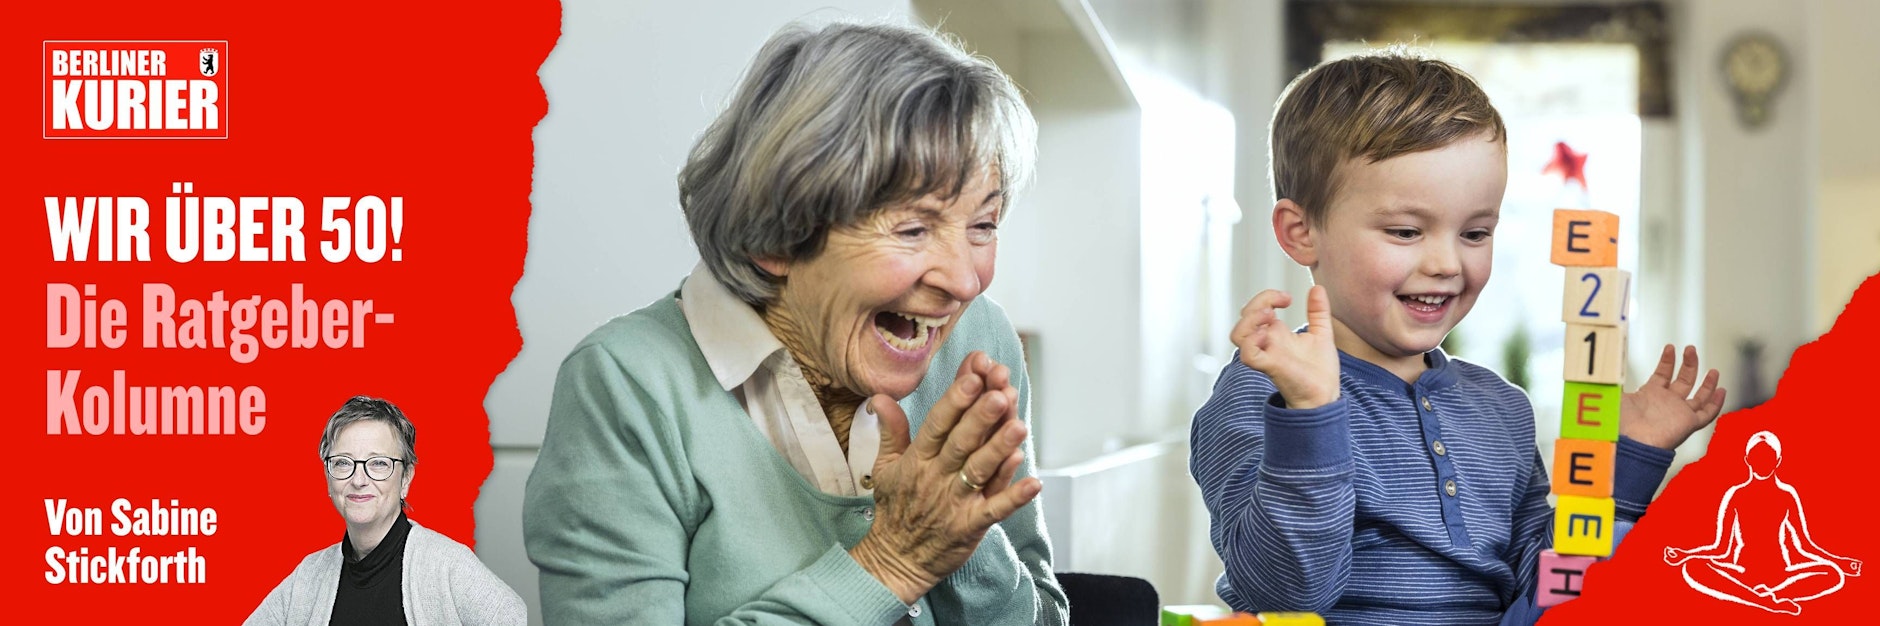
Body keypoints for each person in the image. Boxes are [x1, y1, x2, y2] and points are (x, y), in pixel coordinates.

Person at [522, 19, 1067, 625]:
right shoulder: (627, 385)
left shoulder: (975, 339)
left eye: (983, 226)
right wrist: (893, 564)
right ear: (776, 236)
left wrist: (964, 539)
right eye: (913, 229)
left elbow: (1043, 616)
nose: (965, 281)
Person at [1188, 53, 1729, 626]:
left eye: (1475, 233)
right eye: (1405, 231)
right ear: (1301, 233)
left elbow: (1548, 591)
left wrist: (1626, 463)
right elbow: (1283, 594)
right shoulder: (1266, 393)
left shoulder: (1503, 409)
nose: (1447, 263)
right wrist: (1312, 415)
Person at [246, 396, 526, 625]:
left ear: (405, 478)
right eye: (343, 463)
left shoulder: (447, 566)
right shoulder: (309, 577)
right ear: (328, 476)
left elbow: (511, 616)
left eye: (378, 463)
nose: (358, 479)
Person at [1665, 430, 1862, 615]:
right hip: (1743, 572)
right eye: (1757, 457)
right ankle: (1763, 601)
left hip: (1780, 573)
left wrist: (1840, 563)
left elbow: (1804, 545)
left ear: (1777, 460)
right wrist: (1685, 555)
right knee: (1693, 567)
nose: (1762, 463)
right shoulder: (1737, 495)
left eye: (1767, 457)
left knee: (1833, 574)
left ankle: (1768, 597)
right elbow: (1722, 548)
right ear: (1748, 460)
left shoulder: (1786, 496)